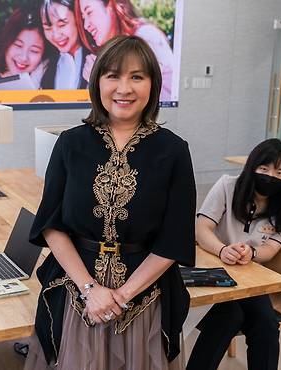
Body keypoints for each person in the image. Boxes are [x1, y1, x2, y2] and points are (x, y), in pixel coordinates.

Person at [24, 35, 195, 369]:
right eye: (113, 75)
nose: (124, 88)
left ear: (153, 85)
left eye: (137, 77)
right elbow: (52, 225)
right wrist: (92, 290)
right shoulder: (70, 144)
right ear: (97, 81)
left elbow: (174, 240)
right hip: (77, 295)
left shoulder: (174, 151)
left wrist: (121, 295)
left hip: (145, 300)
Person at [187, 138, 281, 370]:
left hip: (249, 281)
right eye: (264, 168)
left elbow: (271, 248)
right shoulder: (228, 186)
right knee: (228, 317)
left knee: (267, 325)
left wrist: (252, 252)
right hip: (211, 271)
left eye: (280, 172)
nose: (271, 176)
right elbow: (202, 228)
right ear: (252, 166)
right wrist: (222, 249)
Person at [75, 0, 175, 101]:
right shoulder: (110, 52)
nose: (86, 25)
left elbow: (155, 101)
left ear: (110, 5)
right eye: (84, 18)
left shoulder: (145, 38)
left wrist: (99, 80)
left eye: (89, 12)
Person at [39, 0, 91, 89]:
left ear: (78, 18)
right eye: (47, 28)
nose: (56, 35)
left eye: (62, 25)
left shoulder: (95, 58)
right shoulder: (43, 68)